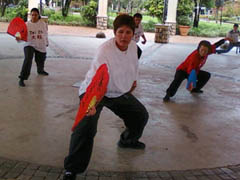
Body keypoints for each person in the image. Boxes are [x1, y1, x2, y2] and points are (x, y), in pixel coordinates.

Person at [63, 14, 149, 180]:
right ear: (115, 32)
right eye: (120, 32)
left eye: (128, 32)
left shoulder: (133, 47)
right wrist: (93, 102)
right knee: (85, 127)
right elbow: (98, 79)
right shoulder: (104, 50)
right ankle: (72, 169)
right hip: (95, 91)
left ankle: (127, 140)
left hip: (117, 91)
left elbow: (133, 66)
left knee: (140, 115)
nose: (124, 36)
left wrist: (133, 81)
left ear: (133, 33)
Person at [17, 8, 49, 87]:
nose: (34, 16)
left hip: (40, 44)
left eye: (36, 15)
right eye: (32, 15)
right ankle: (22, 78)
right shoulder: (26, 25)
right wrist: (18, 38)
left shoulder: (43, 24)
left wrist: (47, 42)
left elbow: (45, 34)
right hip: (29, 44)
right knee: (28, 59)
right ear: (30, 15)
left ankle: (40, 70)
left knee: (41, 59)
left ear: (38, 15)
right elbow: (21, 36)